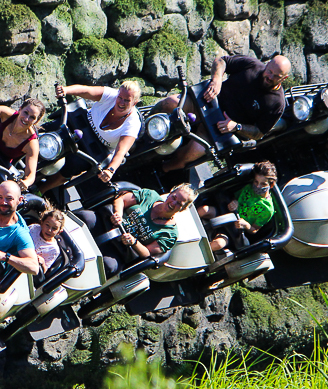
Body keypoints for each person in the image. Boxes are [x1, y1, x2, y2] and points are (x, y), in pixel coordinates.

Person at [156, 55, 291, 172]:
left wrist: (237, 127)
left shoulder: (277, 103)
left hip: (219, 129)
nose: (270, 77)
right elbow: (221, 61)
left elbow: (259, 132)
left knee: (192, 153)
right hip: (206, 102)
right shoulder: (252, 65)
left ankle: (161, 168)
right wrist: (217, 80)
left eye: (276, 76)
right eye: (269, 71)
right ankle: (144, 126)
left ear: (284, 78)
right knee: (170, 102)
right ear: (267, 65)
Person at [38, 80, 142, 192]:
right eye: (120, 97)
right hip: (78, 124)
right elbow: (86, 90)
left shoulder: (133, 124)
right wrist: (66, 90)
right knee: (50, 127)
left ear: (134, 103)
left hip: (93, 149)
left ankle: (40, 190)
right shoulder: (111, 95)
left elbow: (121, 152)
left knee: (73, 166)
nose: (121, 102)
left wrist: (110, 170)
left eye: (127, 100)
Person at [75, 183, 196, 276]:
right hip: (106, 225)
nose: (173, 203)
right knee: (85, 217)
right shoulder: (150, 196)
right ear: (170, 193)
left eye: (179, 203)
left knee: (109, 267)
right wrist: (118, 214)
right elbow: (121, 199)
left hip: (119, 250)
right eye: (174, 197)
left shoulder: (170, 234)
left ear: (182, 209)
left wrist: (134, 242)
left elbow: (147, 253)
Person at [198, 161, 278, 252]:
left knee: (218, 244)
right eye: (256, 182)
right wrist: (234, 201)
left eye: (263, 184)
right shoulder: (248, 188)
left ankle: (196, 252)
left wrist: (246, 225)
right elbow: (233, 196)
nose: (258, 186)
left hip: (233, 230)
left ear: (271, 185)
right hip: (224, 213)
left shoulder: (267, 209)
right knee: (203, 210)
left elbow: (254, 230)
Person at [29, 206, 64, 273]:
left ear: (59, 231)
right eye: (47, 225)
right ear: (42, 223)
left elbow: (44, 271)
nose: (49, 230)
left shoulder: (53, 249)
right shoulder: (34, 228)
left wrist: (42, 262)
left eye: (54, 228)